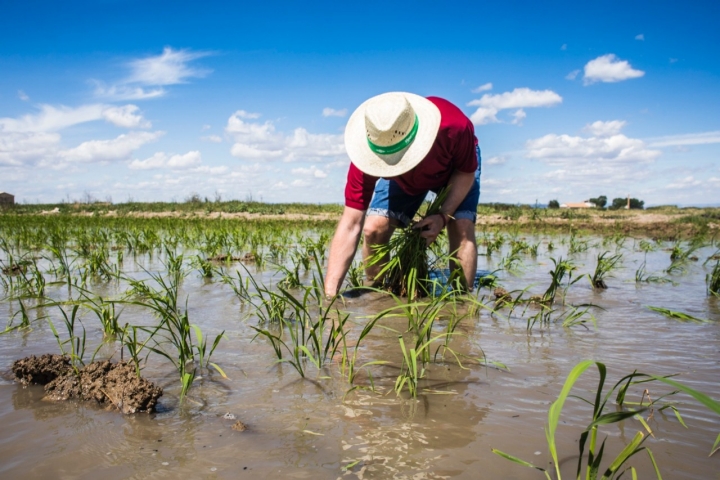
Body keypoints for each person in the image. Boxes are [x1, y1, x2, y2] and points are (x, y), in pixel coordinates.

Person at [324, 91, 481, 297]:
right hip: (408, 179)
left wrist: (443, 216)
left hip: (455, 171)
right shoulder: (368, 152)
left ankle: (463, 301)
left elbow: (465, 172)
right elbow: (351, 224)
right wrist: (329, 296)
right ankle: (378, 292)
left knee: (461, 225)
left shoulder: (453, 127)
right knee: (374, 228)